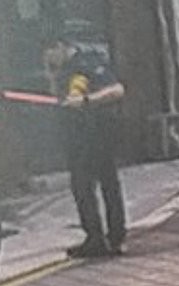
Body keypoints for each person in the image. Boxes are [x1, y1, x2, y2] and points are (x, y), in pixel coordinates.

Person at [43, 36, 126, 259]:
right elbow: (60, 98)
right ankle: (96, 238)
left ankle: (114, 237)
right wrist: (51, 74)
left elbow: (117, 90)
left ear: (59, 46)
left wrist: (87, 100)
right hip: (78, 138)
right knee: (82, 188)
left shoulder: (86, 63)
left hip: (98, 132)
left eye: (49, 53)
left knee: (106, 184)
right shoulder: (63, 70)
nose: (48, 59)